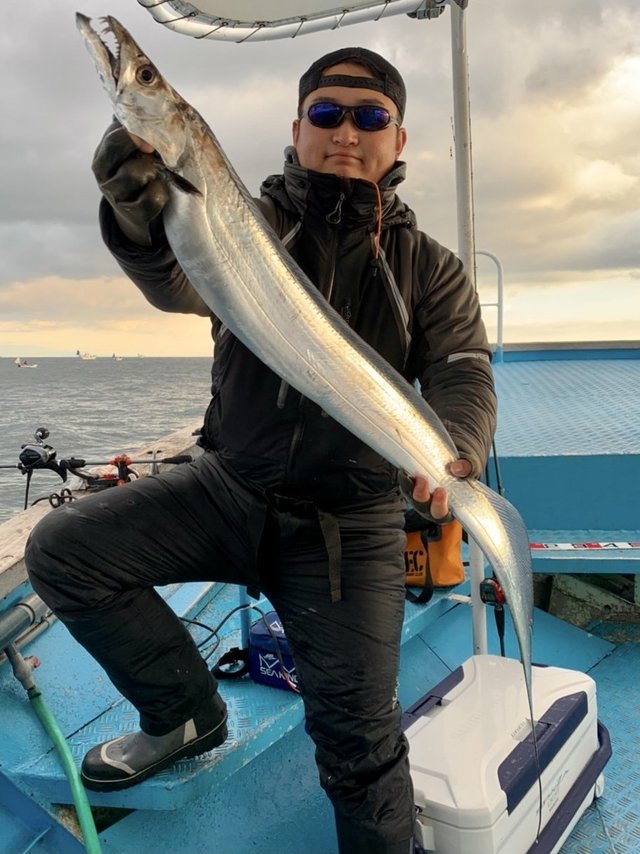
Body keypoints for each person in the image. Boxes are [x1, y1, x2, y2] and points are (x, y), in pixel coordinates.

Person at [25, 47, 496, 854]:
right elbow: (176, 275)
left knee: (360, 745)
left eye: (370, 117)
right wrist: (135, 212)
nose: (346, 132)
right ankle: (184, 715)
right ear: (298, 127)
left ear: (398, 139)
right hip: (226, 489)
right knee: (65, 550)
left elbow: (461, 370)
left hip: (349, 528)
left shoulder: (430, 269)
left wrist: (457, 448)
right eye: (327, 114)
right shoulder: (247, 221)